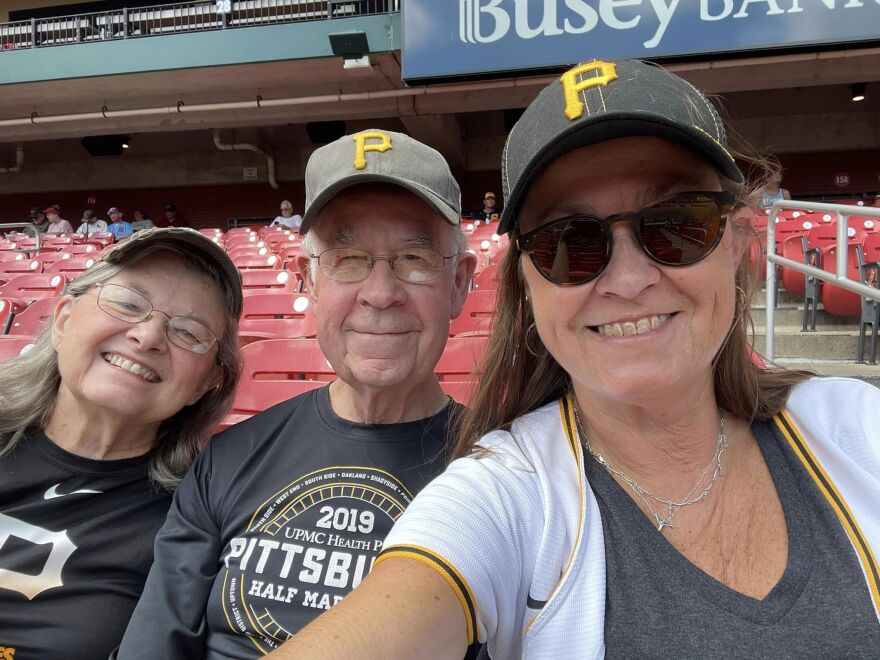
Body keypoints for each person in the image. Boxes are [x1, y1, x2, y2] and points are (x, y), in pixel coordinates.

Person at [270, 60, 880, 659]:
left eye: (677, 224)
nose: (630, 278)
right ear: (527, 287)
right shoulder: (504, 495)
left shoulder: (856, 428)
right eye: (568, 241)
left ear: (740, 242)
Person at [115, 129, 479, 659]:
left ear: (460, 284)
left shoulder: (504, 476)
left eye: (413, 259)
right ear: (307, 281)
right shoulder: (228, 458)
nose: (380, 294)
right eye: (347, 259)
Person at [0, 227, 243, 660]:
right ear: (63, 319)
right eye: (128, 303)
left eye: (188, 332)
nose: (148, 337)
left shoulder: (199, 515)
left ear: (206, 384)